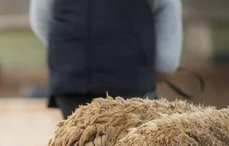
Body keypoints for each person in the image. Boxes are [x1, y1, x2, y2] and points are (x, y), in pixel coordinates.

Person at [30, 0, 183, 118]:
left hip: (77, 81)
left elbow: (42, 17)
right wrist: (164, 63)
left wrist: (67, 49)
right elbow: (166, 8)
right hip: (124, 79)